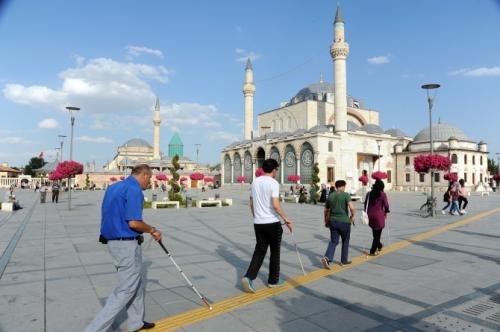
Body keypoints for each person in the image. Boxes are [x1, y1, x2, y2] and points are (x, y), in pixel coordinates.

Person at [85, 164, 161, 332]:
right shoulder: (134, 190)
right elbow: (134, 222)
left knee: (136, 284)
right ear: (144, 175)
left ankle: (136, 322)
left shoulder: (114, 187)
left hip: (114, 241)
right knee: (125, 290)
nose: (149, 182)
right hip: (125, 245)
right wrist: (152, 230)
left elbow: (111, 215)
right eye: (150, 178)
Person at [241, 159, 294, 293]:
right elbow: (276, 205)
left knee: (259, 251)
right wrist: (286, 219)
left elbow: (251, 204)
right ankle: (273, 280)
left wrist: (257, 216)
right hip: (272, 223)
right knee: (275, 252)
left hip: (258, 223)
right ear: (274, 169)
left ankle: (249, 277)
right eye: (277, 169)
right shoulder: (273, 183)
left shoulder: (255, 182)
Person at [321, 180, 355, 269]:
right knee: (345, 241)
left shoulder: (331, 196)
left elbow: (326, 210)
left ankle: (327, 257)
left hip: (333, 221)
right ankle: (344, 260)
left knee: (333, 241)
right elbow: (352, 208)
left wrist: (325, 220)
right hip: (344, 222)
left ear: (336, 187)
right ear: (343, 186)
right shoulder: (346, 195)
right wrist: (353, 216)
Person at [364, 180, 390, 256]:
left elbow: (365, 204)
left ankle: (379, 245)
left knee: (375, 232)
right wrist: (386, 212)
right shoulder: (382, 194)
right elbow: (386, 205)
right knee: (377, 234)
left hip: (370, 215)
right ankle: (372, 251)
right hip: (379, 215)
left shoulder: (369, 193)